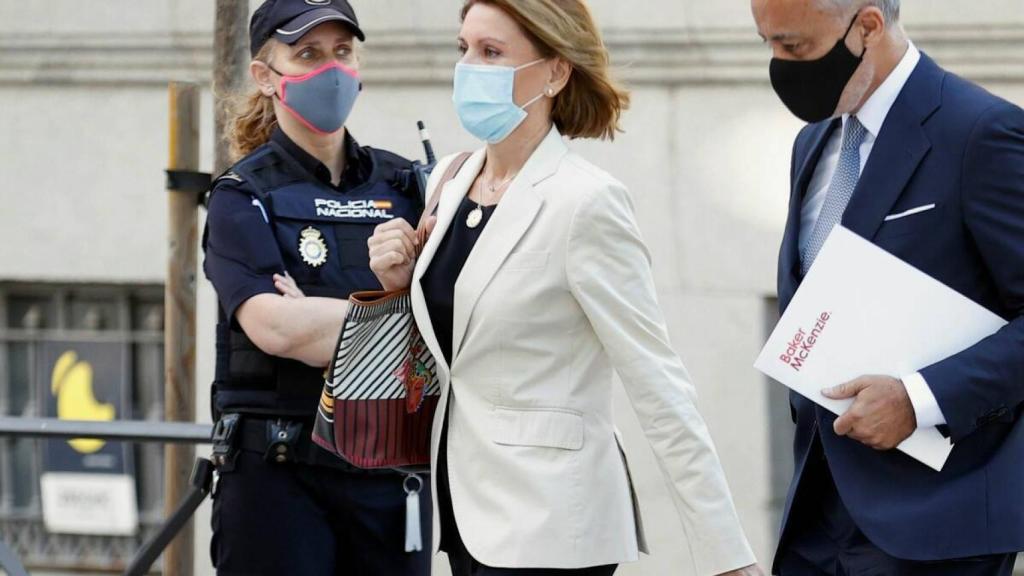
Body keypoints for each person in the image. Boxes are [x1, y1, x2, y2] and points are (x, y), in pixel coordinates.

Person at [367, 1, 764, 575]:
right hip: (464, 512)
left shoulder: (586, 202)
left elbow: (659, 384)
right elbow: (453, 352)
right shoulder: (450, 180)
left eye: (492, 52)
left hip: (551, 522)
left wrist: (725, 554)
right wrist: (399, 285)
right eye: (464, 49)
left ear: (555, 72)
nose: (469, 68)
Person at [751, 0, 1024, 574]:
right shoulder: (813, 142)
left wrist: (919, 399)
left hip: (936, 523)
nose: (777, 64)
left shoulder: (981, 132)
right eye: (768, 43)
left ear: (868, 26)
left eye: (794, 47)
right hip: (814, 519)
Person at [201, 0, 431, 574]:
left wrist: (323, 319)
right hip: (278, 476)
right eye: (306, 54)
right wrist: (401, 316)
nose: (330, 69)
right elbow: (276, 328)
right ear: (265, 76)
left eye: (342, 52)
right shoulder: (241, 195)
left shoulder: (408, 184)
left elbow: (456, 327)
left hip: (386, 473)